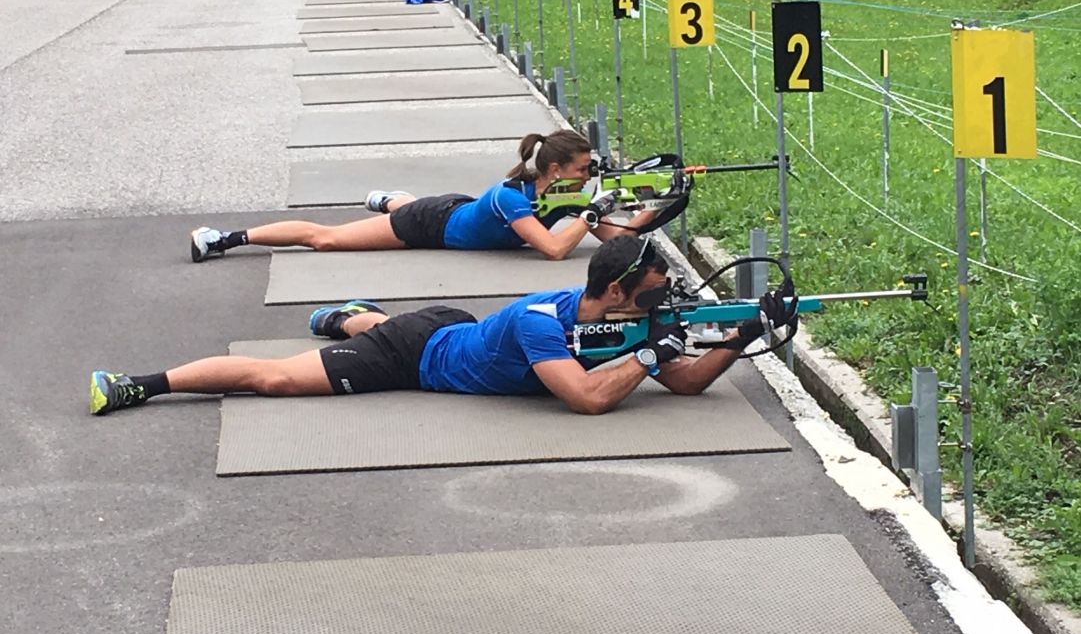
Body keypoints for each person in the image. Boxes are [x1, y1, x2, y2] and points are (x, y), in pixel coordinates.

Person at [89, 236, 796, 416]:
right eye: (649, 299)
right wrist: (648, 355)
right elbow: (584, 400)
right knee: (274, 378)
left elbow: (684, 386)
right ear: (615, 291)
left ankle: (347, 315)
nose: (658, 311)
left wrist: (743, 335)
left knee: (401, 327)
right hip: (412, 356)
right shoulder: (540, 325)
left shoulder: (621, 324)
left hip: (453, 328)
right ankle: (137, 383)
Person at [189, 130, 658, 263]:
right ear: (555, 170)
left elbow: (622, 231)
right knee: (326, 240)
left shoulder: (560, 197)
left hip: (456, 213)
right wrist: (596, 210)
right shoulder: (513, 198)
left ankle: (394, 199)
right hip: (430, 226)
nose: (588, 176)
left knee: (407, 206)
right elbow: (555, 250)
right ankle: (224, 238)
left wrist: (656, 202)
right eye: (583, 170)